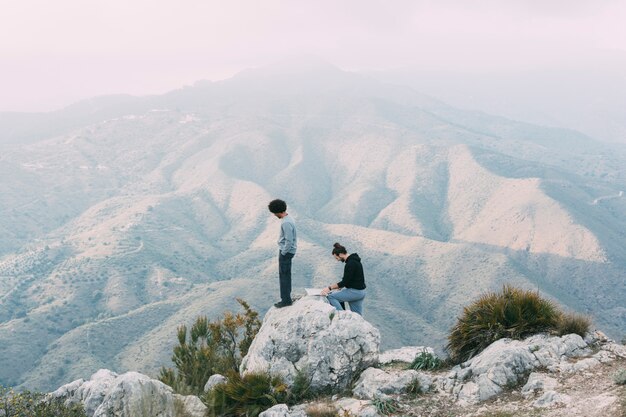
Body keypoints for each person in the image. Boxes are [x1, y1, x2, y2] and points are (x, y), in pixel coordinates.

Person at [320, 243, 367, 315]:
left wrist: (329, 288)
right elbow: (349, 279)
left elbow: (344, 282)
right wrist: (340, 287)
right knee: (357, 316)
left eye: (337, 258)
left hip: (354, 292)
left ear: (341, 254)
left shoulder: (350, 263)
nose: (337, 260)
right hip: (361, 292)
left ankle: (342, 316)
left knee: (331, 296)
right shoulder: (355, 261)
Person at [268, 199, 297, 308]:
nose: (274, 215)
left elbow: (289, 240)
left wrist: (284, 252)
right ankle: (287, 298)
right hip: (288, 251)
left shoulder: (286, 222)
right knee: (286, 275)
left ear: (277, 212)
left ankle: (285, 300)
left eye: (274, 213)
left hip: (286, 251)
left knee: (283, 276)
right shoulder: (289, 218)